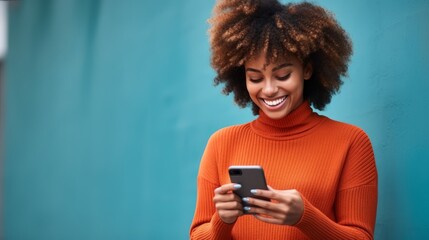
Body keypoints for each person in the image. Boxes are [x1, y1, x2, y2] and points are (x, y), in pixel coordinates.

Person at [190, 0, 378, 239]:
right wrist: (222, 221)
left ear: (307, 70)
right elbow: (198, 234)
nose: (269, 90)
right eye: (256, 79)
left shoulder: (351, 141)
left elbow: (361, 236)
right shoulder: (221, 143)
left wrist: (305, 217)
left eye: (282, 75)